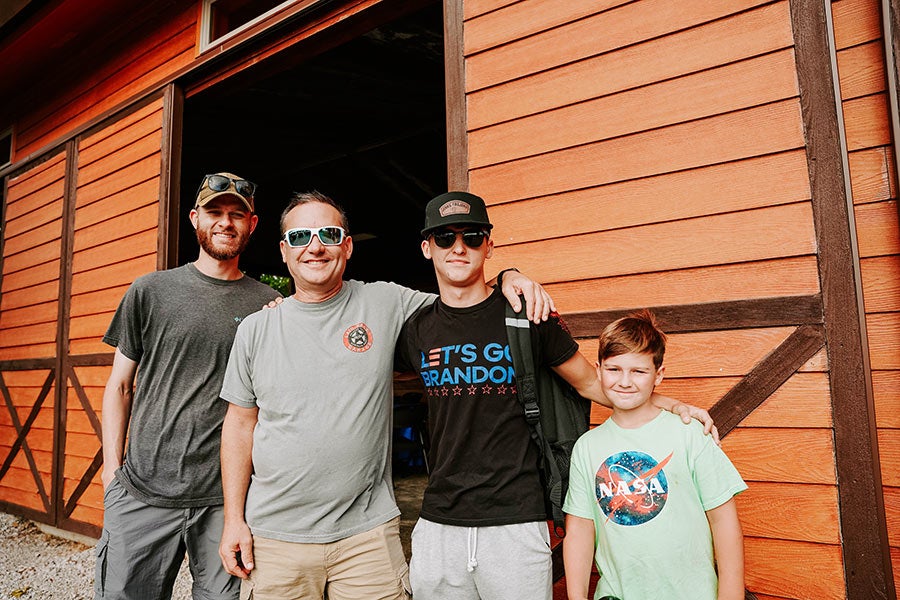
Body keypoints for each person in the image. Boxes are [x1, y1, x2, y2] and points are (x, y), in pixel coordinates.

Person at [217, 191, 553, 600]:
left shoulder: (386, 301)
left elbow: (466, 298)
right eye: (301, 236)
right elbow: (239, 425)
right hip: (276, 537)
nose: (315, 246)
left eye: (328, 233)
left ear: (347, 245)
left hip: (367, 536)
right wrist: (234, 519)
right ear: (285, 252)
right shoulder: (255, 329)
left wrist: (509, 276)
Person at [393, 191, 717, 600]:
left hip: (517, 519)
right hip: (439, 521)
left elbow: (590, 382)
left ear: (489, 246)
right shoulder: (416, 329)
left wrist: (670, 404)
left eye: (472, 236)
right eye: (444, 238)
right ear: (427, 248)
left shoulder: (527, 315)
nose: (459, 247)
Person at [94, 173, 281, 600]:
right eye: (215, 212)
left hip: (227, 500)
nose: (225, 222)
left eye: (237, 214)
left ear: (253, 224)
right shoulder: (151, 291)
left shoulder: (267, 307)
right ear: (195, 218)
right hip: (143, 489)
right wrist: (111, 471)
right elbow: (120, 386)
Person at [563, 311, 746, 600]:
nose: (625, 381)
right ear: (598, 370)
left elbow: (724, 521)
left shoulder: (689, 435)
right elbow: (580, 532)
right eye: (614, 370)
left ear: (658, 375)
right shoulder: (587, 447)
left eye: (638, 371)